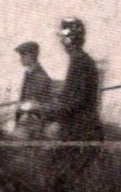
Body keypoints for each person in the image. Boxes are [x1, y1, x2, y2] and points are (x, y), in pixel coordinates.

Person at [29, 17, 103, 146]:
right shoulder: (80, 60)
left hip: (80, 132)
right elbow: (68, 97)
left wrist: (43, 109)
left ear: (70, 40)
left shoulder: (80, 62)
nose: (62, 43)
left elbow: (74, 101)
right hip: (78, 127)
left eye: (64, 39)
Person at [13, 41, 55, 139]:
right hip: (26, 119)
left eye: (23, 55)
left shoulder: (40, 76)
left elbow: (38, 104)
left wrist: (23, 107)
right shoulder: (29, 73)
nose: (21, 58)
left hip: (35, 122)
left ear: (32, 55)